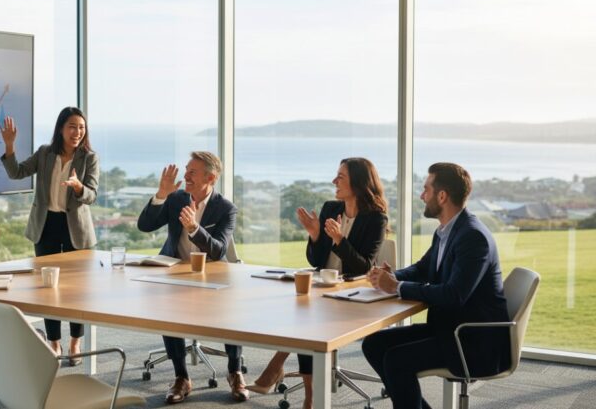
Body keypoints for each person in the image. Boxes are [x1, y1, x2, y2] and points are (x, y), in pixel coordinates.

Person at [363, 162, 510, 409]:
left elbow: (454, 295)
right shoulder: (447, 230)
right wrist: (390, 277)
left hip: (472, 341)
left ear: (442, 196)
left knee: (397, 360)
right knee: (374, 344)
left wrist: (396, 287)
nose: (421, 196)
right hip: (449, 329)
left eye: (426, 190)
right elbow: (422, 269)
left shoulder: (473, 237)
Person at [248, 157, 389, 409]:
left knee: (306, 319)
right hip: (324, 287)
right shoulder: (330, 208)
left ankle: (300, 388)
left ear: (357, 182)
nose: (334, 181)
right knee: (302, 312)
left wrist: (339, 240)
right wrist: (315, 236)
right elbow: (315, 259)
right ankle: (293, 380)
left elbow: (364, 266)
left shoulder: (376, 219)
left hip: (354, 291)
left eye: (341, 177)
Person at [137, 151, 247, 404]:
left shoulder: (225, 208)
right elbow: (145, 226)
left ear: (211, 177)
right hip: (175, 270)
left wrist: (194, 229)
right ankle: (182, 377)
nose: (186, 176)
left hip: (213, 275)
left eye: (192, 172)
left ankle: (234, 370)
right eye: (186, 170)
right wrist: (161, 194)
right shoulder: (176, 199)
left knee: (230, 314)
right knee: (168, 312)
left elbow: (219, 249)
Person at [0, 107, 99, 363]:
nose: (77, 132)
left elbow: (92, 194)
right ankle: (54, 343)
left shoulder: (89, 158)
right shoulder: (45, 153)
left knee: (77, 290)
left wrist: (79, 188)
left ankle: (76, 342)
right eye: (72, 126)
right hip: (47, 226)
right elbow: (17, 172)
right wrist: (9, 146)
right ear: (60, 129)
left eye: (81, 127)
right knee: (48, 289)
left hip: (75, 226)